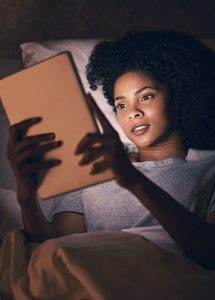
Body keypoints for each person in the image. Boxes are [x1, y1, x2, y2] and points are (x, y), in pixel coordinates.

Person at [7, 30, 215, 270]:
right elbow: (57, 249)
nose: (132, 112)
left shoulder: (209, 167)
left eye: (146, 97)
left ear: (177, 97)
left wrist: (132, 178)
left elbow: (210, 251)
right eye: (121, 104)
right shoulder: (95, 160)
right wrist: (26, 196)